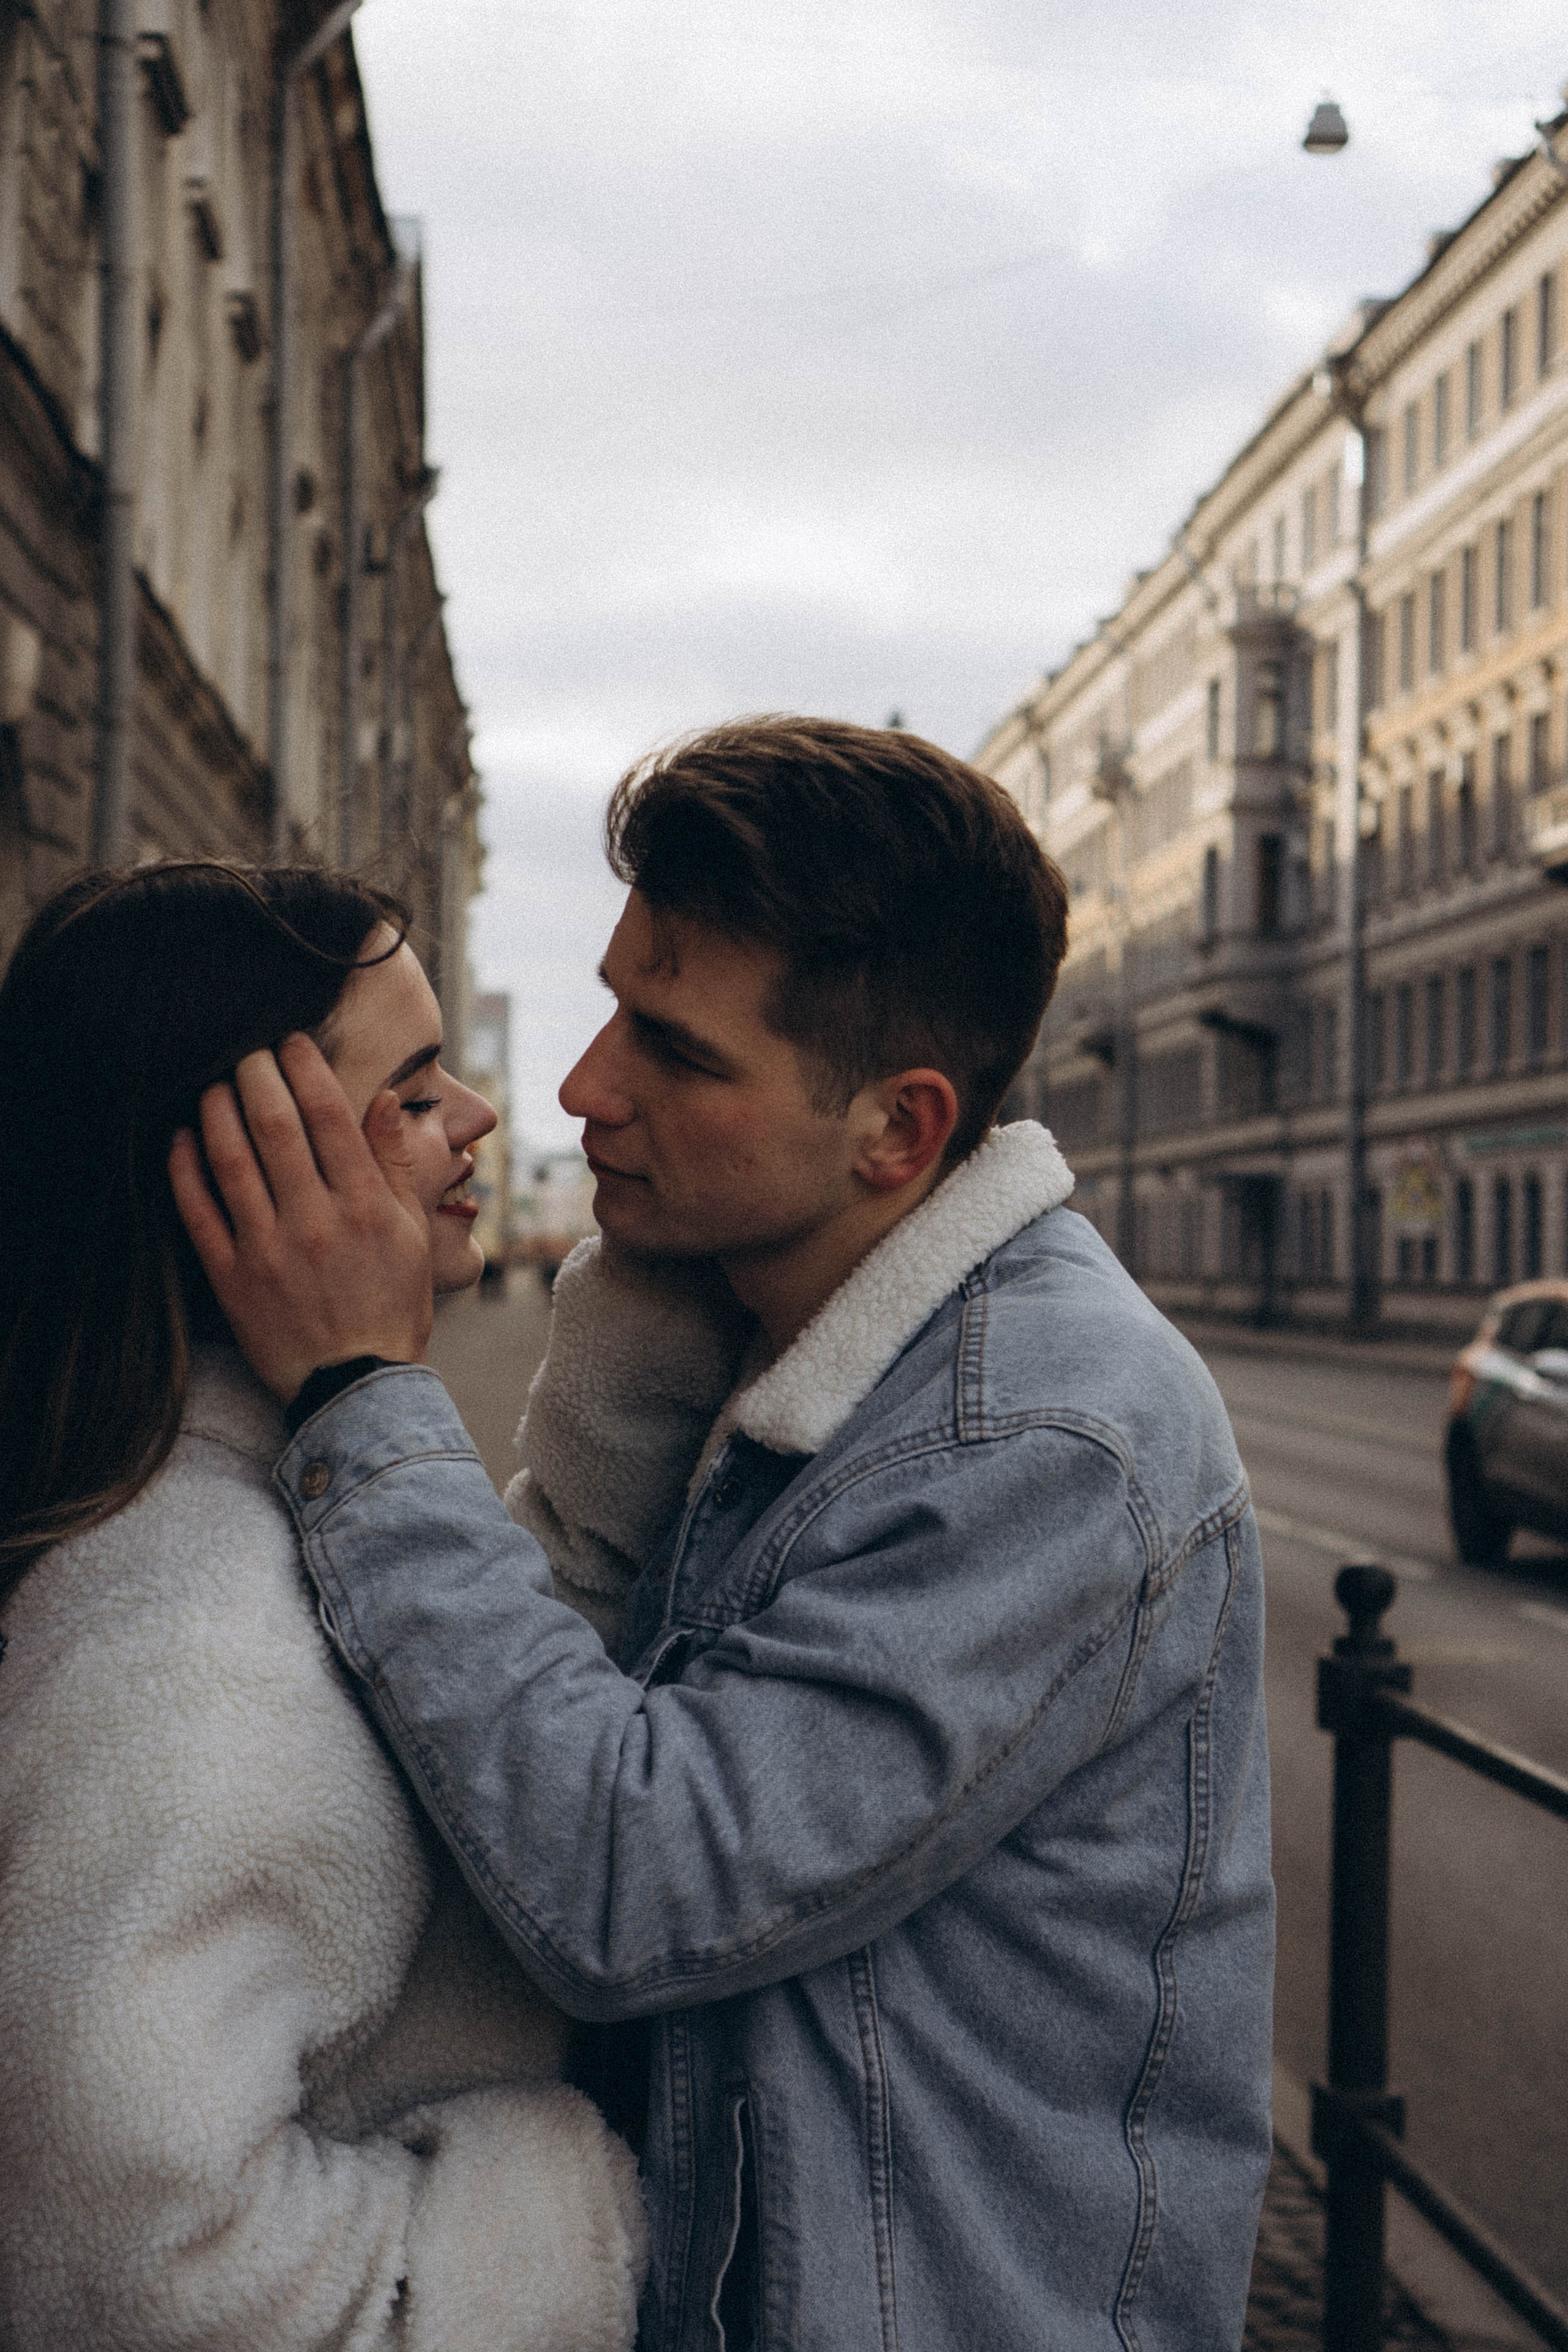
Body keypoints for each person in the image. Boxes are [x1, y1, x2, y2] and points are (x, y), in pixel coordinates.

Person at [175, 720, 1275, 2352]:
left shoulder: (1040, 1433)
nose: (579, 1087)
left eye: (676, 1053)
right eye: (617, 1003)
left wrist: (355, 1389)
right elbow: (522, 1734)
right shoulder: (767, 1321)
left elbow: (631, 1885)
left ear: (897, 1131)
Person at [0, 863, 647, 2352]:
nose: (479, 1117)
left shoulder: (219, 1524)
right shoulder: (204, 1645)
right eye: (415, 1094)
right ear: (243, 1176)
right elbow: (140, 2279)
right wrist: (571, 2230)